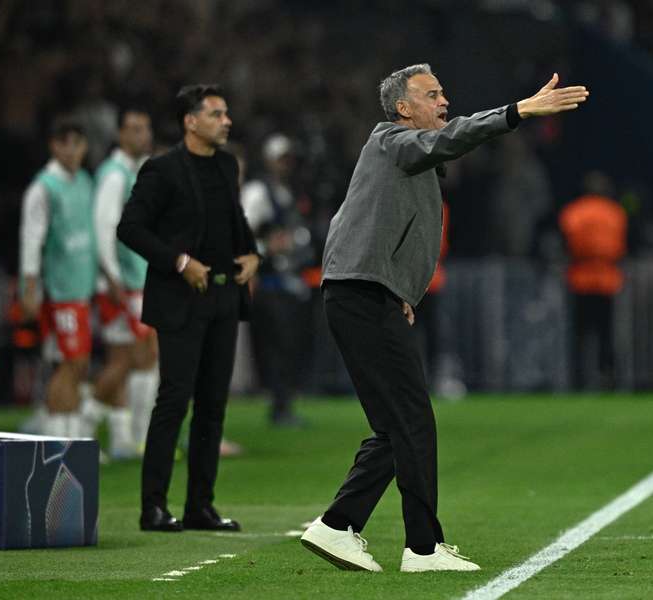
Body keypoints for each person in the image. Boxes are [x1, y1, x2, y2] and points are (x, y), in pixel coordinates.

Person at [300, 64, 587, 572]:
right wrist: (517, 112)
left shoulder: (402, 158)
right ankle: (423, 549)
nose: (444, 101)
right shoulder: (392, 140)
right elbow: (452, 139)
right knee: (412, 418)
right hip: (361, 295)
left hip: (367, 293)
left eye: (443, 92)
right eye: (432, 94)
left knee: (395, 426)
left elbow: (358, 220)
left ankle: (338, 525)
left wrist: (399, 287)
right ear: (404, 108)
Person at [117, 84, 260, 533]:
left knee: (213, 406)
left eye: (226, 113)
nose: (227, 121)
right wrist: (179, 262)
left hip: (222, 297)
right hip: (180, 300)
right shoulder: (161, 170)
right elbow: (131, 228)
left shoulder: (225, 164)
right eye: (217, 113)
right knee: (174, 401)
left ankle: (201, 505)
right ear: (190, 121)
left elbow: (234, 219)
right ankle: (153, 507)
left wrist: (252, 253)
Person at [19, 118, 96, 438]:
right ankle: (56, 437)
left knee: (73, 362)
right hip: (58, 289)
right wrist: (30, 289)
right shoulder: (43, 187)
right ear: (54, 146)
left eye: (78, 143)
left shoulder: (84, 182)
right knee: (72, 362)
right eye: (65, 142)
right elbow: (31, 239)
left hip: (81, 287)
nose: (72, 149)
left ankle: (68, 433)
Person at [88, 106, 158, 459]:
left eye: (144, 128)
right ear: (120, 135)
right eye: (133, 129)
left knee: (138, 357)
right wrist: (111, 275)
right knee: (131, 358)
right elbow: (103, 228)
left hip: (135, 279)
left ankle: (123, 436)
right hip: (120, 282)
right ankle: (86, 424)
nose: (141, 135)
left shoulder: (132, 171)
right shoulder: (115, 175)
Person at [241, 133, 317, 427]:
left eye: (289, 159)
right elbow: (242, 231)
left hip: (290, 280)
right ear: (270, 160)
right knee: (277, 346)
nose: (287, 164)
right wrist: (263, 248)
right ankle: (279, 405)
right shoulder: (258, 192)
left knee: (290, 345)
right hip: (270, 282)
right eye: (281, 158)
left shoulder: (287, 191)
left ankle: (284, 403)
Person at [559, 171, 627, 390]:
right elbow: (621, 247)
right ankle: (608, 377)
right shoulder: (614, 212)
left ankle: (577, 379)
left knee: (579, 334)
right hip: (607, 279)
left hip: (580, 278)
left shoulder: (574, 212)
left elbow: (567, 244)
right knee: (606, 333)